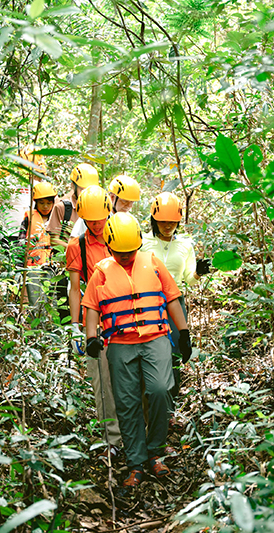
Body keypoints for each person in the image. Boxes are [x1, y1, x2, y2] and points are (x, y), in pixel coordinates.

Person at [82, 212, 193, 488]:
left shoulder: (153, 264)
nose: (125, 256)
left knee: (158, 390)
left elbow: (173, 299)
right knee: (127, 403)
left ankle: (154, 451)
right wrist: (91, 337)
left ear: (139, 244)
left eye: (130, 251)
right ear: (109, 247)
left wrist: (184, 333)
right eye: (119, 252)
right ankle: (136, 463)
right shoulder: (101, 272)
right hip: (120, 345)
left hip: (155, 338)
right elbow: (92, 307)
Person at [65, 186, 122, 458]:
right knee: (102, 380)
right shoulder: (78, 246)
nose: (97, 224)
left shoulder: (122, 237)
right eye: (91, 219)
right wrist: (76, 328)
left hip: (127, 317)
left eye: (100, 218)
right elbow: (75, 288)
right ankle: (112, 440)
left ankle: (140, 433)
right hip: (96, 320)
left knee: (134, 379)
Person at [140, 192, 211, 401]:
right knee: (149, 350)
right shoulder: (142, 242)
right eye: (162, 221)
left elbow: (189, 279)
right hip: (147, 301)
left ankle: (170, 403)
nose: (167, 226)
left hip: (174, 303)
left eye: (172, 222)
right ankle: (148, 399)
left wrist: (198, 272)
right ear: (154, 220)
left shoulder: (185, 245)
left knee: (174, 352)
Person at [47, 163, 100, 323]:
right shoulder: (63, 207)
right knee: (67, 311)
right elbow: (54, 239)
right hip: (67, 266)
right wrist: (77, 249)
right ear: (74, 186)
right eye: (83, 189)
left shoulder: (97, 207)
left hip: (91, 268)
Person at [19, 181, 58, 310]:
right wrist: (20, 268)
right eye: (42, 203)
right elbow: (21, 242)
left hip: (53, 267)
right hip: (33, 267)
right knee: (35, 302)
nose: (46, 206)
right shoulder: (29, 217)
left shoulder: (58, 217)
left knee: (53, 304)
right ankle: (37, 328)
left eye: (49, 203)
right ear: (36, 202)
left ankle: (52, 329)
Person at [71, 173, 141, 238]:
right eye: (124, 201)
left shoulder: (132, 221)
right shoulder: (93, 215)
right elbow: (73, 240)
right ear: (112, 197)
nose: (129, 205)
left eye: (132, 202)